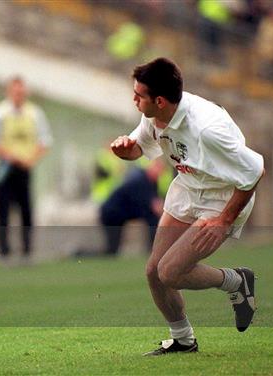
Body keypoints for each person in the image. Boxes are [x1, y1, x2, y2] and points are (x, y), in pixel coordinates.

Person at [111, 58, 264, 355]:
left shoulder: (207, 129)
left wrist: (224, 219)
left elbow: (255, 172)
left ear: (159, 100)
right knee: (154, 271)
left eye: (138, 96)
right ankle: (183, 339)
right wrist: (127, 151)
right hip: (186, 187)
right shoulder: (156, 114)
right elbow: (141, 147)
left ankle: (236, 281)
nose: (133, 100)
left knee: (169, 272)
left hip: (220, 199)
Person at [0, 77, 52, 260]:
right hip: (4, 168)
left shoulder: (34, 113)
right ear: (9, 92)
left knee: (26, 210)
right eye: (16, 92)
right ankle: (4, 251)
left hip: (25, 168)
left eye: (22, 92)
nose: (19, 96)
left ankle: (27, 249)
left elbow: (45, 141)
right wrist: (7, 155)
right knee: (2, 211)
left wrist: (31, 159)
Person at [100, 159, 166, 256]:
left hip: (123, 213)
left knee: (152, 219)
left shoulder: (151, 182)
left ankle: (155, 249)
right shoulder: (140, 180)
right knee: (112, 248)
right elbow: (153, 205)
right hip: (112, 213)